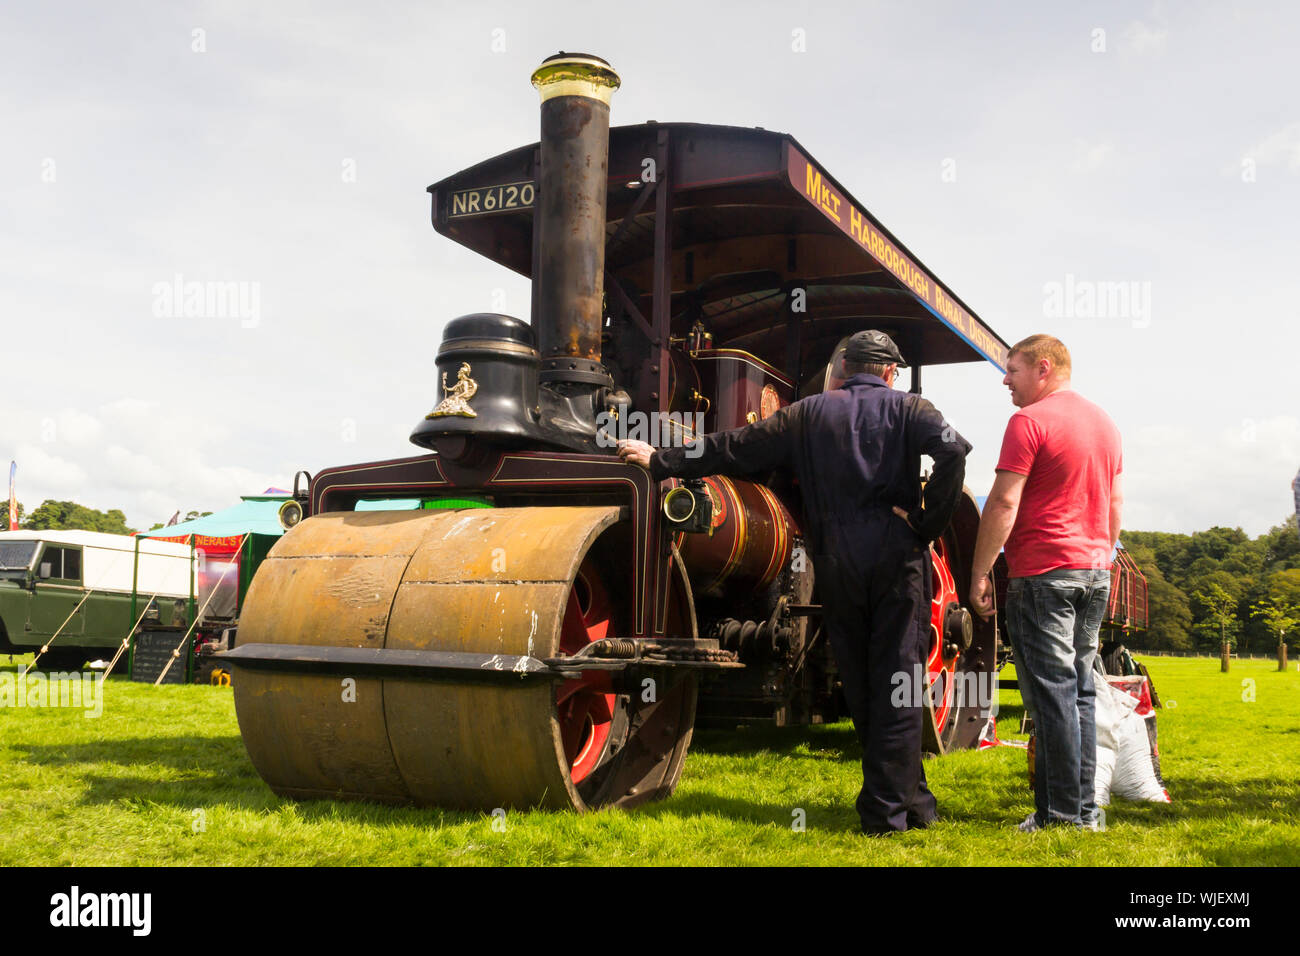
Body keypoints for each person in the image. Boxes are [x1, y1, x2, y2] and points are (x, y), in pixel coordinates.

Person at [617, 330, 971, 834]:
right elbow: (954, 453)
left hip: (835, 560)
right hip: (897, 558)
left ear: (843, 368)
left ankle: (911, 802)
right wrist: (925, 524)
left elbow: (735, 448)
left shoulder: (807, 412)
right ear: (890, 372)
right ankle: (889, 813)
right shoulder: (913, 409)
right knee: (898, 679)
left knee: (864, 680)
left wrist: (660, 460)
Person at [969, 334, 1122, 832]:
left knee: (1055, 694)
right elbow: (1116, 505)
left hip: (1044, 573)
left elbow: (1004, 502)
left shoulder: (1028, 421)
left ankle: (1058, 815)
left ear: (1043, 367)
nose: (1004, 380)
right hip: (1095, 571)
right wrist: (1101, 558)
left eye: (1011, 369)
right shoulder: (1105, 423)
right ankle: (1083, 812)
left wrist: (980, 570)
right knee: (1079, 692)